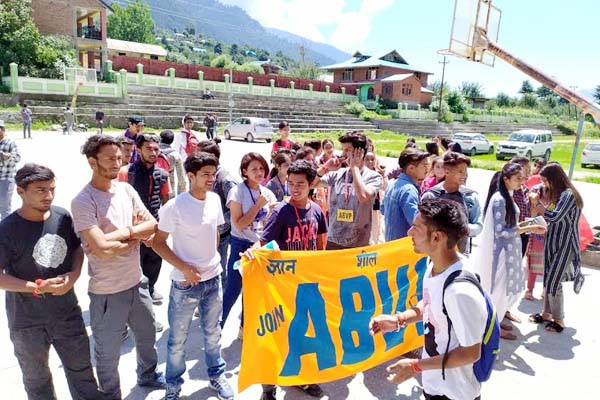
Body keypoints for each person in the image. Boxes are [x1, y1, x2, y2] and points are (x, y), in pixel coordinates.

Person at [71, 135, 165, 398]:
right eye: (110, 158)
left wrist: (121, 235)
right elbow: (100, 248)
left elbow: (152, 224)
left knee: (147, 338)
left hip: (138, 282)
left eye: (120, 157)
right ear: (92, 162)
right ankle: (111, 394)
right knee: (107, 353)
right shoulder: (83, 201)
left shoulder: (125, 190)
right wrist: (132, 237)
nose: (117, 162)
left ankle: (147, 375)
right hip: (107, 292)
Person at [0, 164, 102, 400]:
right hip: (26, 321)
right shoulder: (6, 229)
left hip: (67, 313)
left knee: (83, 373)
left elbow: (77, 248)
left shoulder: (62, 216)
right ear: (20, 192)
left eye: (52, 189)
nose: (48, 196)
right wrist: (35, 287)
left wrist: (74, 275)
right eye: (40, 190)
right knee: (37, 381)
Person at [370, 199, 488, 400]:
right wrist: (400, 320)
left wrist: (416, 366)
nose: (409, 233)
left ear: (437, 237)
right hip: (435, 384)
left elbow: (470, 353)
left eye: (416, 227)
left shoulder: (460, 292)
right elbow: (431, 305)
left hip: (455, 393)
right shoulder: (433, 266)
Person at [152, 152, 234, 400]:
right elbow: (158, 243)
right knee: (177, 340)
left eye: (213, 173)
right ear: (190, 176)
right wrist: (185, 267)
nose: (211, 178)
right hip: (185, 284)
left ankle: (216, 375)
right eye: (205, 174)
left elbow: (216, 234)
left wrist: (212, 261)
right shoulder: (174, 207)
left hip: (213, 279)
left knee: (213, 334)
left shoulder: (214, 200)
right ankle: (173, 383)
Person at [249, 160, 328, 400]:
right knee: (277, 335)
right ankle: (268, 387)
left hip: (307, 284)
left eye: (301, 184)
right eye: (290, 183)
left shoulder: (316, 210)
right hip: (282, 286)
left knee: (304, 334)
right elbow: (264, 244)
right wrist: (252, 252)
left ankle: (302, 379)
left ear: (312, 184)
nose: (294, 188)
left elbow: (321, 242)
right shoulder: (281, 212)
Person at [472, 163, 545, 340]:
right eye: (518, 179)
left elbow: (510, 226)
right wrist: (527, 228)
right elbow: (501, 232)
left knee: (504, 291)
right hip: (502, 253)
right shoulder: (500, 200)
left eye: (523, 178)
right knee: (498, 291)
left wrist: (530, 226)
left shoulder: (508, 196)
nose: (522, 182)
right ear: (506, 179)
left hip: (510, 250)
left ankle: (494, 324)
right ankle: (490, 331)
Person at [221, 153, 277, 336]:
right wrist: (258, 205)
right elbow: (239, 223)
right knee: (233, 290)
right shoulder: (237, 191)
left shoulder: (268, 193)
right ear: (245, 171)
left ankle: (244, 329)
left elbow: (269, 223)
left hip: (260, 248)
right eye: (254, 169)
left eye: (262, 168)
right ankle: (216, 329)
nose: (259, 172)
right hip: (240, 245)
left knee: (253, 292)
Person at [117, 134, 171, 310]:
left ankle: (151, 288)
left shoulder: (162, 175)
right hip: (132, 228)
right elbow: (117, 202)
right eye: (149, 149)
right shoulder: (126, 173)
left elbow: (166, 201)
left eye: (156, 149)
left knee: (154, 262)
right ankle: (135, 301)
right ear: (138, 150)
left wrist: (165, 228)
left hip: (155, 227)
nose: (153, 152)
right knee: (133, 267)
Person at [529, 163, 584, 334]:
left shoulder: (568, 195)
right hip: (551, 242)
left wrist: (539, 206)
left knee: (554, 282)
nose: (545, 185)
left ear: (555, 179)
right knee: (547, 280)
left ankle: (559, 319)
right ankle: (546, 314)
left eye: (546, 181)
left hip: (565, 245)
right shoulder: (558, 195)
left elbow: (555, 216)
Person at [316, 131, 383, 249]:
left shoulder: (373, 176)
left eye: (347, 150)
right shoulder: (338, 174)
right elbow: (311, 184)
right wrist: (325, 168)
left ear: (360, 152)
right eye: (343, 150)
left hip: (358, 244)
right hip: (333, 240)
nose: (343, 154)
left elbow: (363, 196)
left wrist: (355, 168)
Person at [421, 152, 482, 254]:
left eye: (466, 171)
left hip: (461, 255)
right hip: (434, 256)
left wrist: (463, 228)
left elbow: (478, 225)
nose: (465, 175)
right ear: (447, 171)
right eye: (460, 171)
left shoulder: (470, 197)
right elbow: (421, 225)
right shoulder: (431, 196)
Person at [197, 139, 239, 287]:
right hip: (205, 232)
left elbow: (235, 210)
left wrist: (217, 226)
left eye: (199, 155)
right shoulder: (205, 175)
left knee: (218, 269)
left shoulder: (225, 180)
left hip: (220, 235)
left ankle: (220, 304)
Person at [381, 148, 429, 241]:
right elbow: (416, 222)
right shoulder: (409, 190)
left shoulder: (393, 184)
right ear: (411, 168)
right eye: (424, 166)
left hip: (391, 243)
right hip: (404, 247)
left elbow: (383, 209)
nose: (427, 169)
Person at [0, 120, 22, 221]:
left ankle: (4, 231)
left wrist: (5, 156)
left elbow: (17, 157)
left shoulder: (10, 142)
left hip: (6, 179)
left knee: (4, 207)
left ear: (2, 130)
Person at [365, 151, 388, 244]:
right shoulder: (358, 173)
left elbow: (385, 187)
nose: (370, 162)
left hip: (375, 206)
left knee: (375, 229)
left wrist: (383, 174)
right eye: (367, 159)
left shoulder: (378, 174)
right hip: (362, 205)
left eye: (372, 159)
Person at [160, 130, 187, 196]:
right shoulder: (175, 155)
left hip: (154, 185)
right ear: (172, 141)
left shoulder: (154, 152)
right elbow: (181, 177)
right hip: (169, 185)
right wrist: (183, 192)